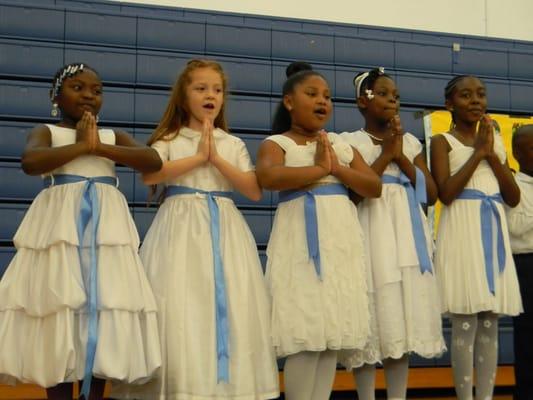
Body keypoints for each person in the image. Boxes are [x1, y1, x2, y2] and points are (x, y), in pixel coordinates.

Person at [113, 59, 279, 400]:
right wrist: (199, 157)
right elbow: (151, 174)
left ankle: (226, 387)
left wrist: (216, 158)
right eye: (201, 88)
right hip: (179, 229)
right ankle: (182, 387)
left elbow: (253, 189)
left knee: (229, 304)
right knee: (182, 303)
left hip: (225, 231)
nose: (210, 95)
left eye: (217, 90)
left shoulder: (231, 144)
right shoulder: (170, 139)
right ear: (183, 95)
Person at [0, 63, 162, 400]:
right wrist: (82, 146)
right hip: (61, 231)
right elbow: (31, 161)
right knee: (59, 306)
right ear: (56, 96)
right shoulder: (47, 131)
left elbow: (152, 160)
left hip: (106, 233)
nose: (88, 95)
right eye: (77, 87)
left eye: (96, 90)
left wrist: (99, 147)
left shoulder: (111, 137)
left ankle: (95, 392)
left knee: (103, 308)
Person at [255, 61, 381, 400]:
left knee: (330, 337)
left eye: (326, 96)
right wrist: (318, 169)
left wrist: (335, 167)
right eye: (312, 94)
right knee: (306, 332)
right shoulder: (277, 143)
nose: (322, 101)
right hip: (301, 244)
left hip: (339, 244)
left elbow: (373, 185)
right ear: (289, 102)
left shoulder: (339, 146)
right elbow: (268, 177)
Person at [339, 67, 446, 400]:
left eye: (396, 96)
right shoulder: (349, 142)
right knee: (373, 318)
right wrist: (386, 154)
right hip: (372, 231)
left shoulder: (411, 143)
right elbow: (356, 194)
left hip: (406, 236)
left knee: (400, 319)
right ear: (363, 102)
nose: (392, 101)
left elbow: (429, 193)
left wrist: (400, 153)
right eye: (383, 94)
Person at [430, 75, 522, 400]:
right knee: (466, 321)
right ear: (449, 104)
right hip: (462, 230)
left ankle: (485, 396)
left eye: (481, 94)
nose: (475, 101)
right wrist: (478, 153)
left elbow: (513, 197)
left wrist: (493, 154)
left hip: (492, 232)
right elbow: (447, 193)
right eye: (466, 95)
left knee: (490, 322)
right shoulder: (442, 141)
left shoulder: (494, 140)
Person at [506, 124, 533, 400]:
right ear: (517, 153)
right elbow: (516, 228)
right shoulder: (513, 185)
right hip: (526, 265)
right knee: (527, 337)